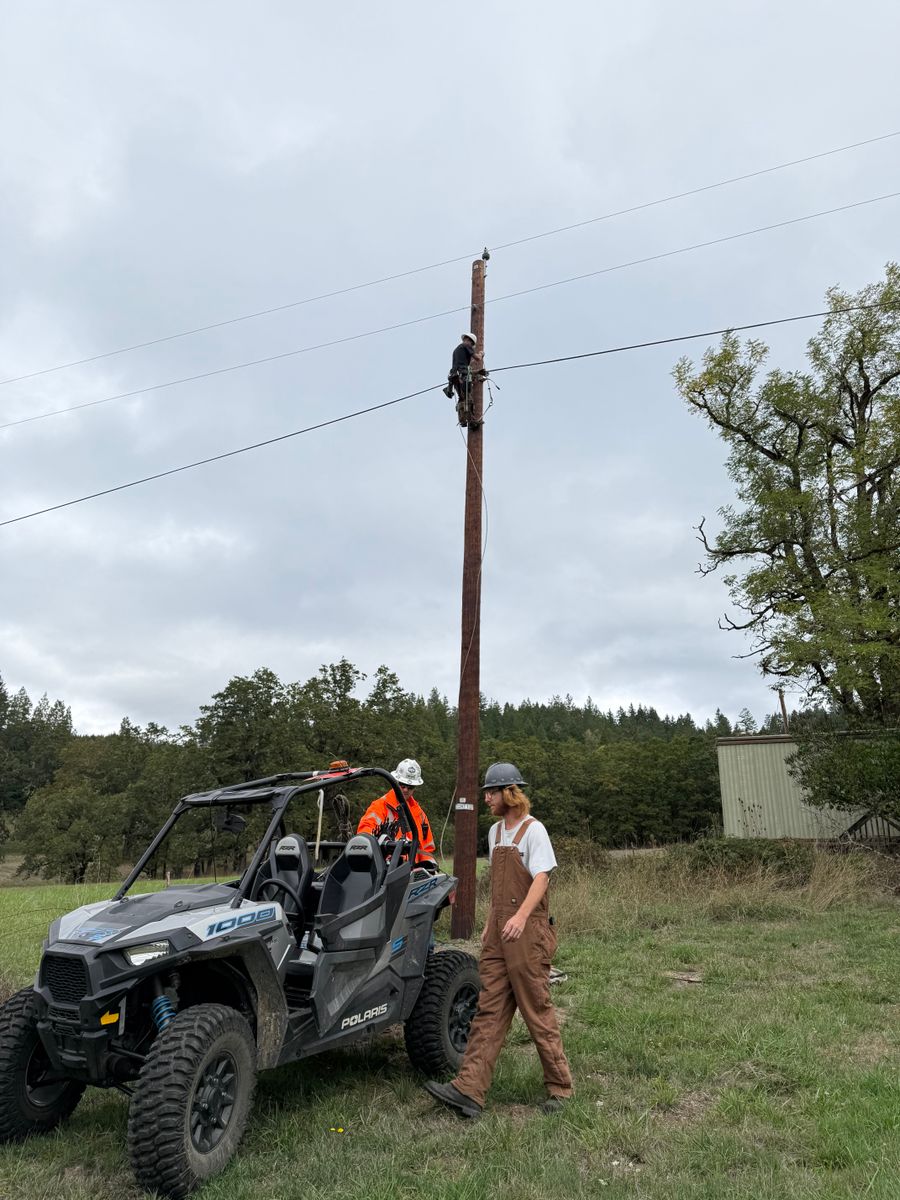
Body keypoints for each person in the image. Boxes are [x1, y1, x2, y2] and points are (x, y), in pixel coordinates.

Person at [424, 762, 573, 1118]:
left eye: (491, 792)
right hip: (499, 934)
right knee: (489, 1009)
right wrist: (492, 925)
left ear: (508, 793)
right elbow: (497, 888)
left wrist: (520, 918)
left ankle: (560, 1088)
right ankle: (469, 1090)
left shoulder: (534, 831)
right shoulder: (493, 833)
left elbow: (541, 879)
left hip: (528, 931)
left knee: (536, 1008)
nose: (486, 798)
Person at [357, 758, 437, 866]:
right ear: (395, 782)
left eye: (410, 787)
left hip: (413, 875)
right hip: (386, 872)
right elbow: (364, 837)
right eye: (402, 785)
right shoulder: (379, 806)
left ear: (415, 788)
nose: (405, 790)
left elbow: (427, 848)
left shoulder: (420, 814)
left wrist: (428, 867)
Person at [442, 333, 477, 425]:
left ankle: (462, 420)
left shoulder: (457, 350)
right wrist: (481, 354)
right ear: (469, 340)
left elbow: (465, 362)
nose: (472, 347)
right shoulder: (466, 345)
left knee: (462, 398)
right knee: (468, 398)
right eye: (472, 345)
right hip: (462, 375)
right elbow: (477, 358)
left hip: (455, 377)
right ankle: (471, 421)